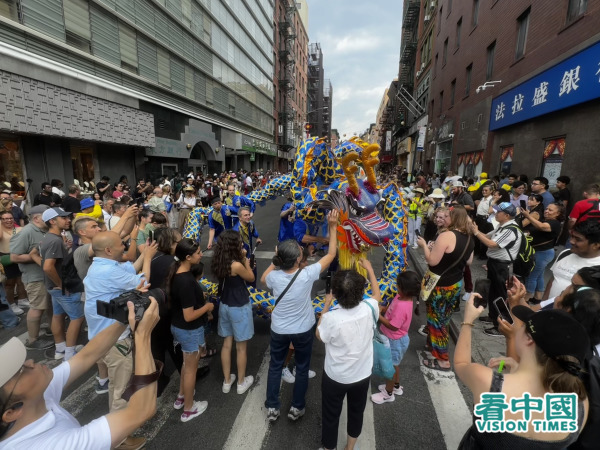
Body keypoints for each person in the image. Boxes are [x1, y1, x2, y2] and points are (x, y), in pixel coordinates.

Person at [0, 294, 160, 449]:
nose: (30, 362)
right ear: (10, 413)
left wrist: (125, 318)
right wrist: (142, 335)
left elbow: (87, 356)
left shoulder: (35, 397)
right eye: (21, 371)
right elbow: (141, 411)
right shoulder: (52, 446)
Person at [455, 296, 589, 447]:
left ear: (529, 339)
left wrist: (468, 321)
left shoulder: (489, 384)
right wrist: (518, 368)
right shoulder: (581, 404)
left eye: (523, 325)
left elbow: (461, 363)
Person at [260, 210, 339, 422]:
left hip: (279, 330)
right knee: (302, 368)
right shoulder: (307, 274)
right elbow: (331, 255)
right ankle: (297, 407)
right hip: (303, 329)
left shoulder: (274, 277)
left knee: (276, 366)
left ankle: (272, 407)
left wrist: (276, 260)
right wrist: (332, 226)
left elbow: (263, 278)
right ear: (298, 260)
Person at [83, 231, 156, 449]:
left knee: (117, 384)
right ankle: (119, 439)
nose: (124, 246)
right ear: (107, 250)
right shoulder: (107, 271)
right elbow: (143, 281)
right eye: (120, 244)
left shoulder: (102, 265)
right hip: (115, 340)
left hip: (101, 337)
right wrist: (149, 258)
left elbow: (131, 270)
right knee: (121, 389)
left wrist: (145, 253)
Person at [316, 260, 380, 450]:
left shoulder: (331, 318)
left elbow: (319, 334)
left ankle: (329, 447)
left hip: (335, 376)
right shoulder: (370, 308)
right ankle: (349, 447)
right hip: (361, 374)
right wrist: (369, 268)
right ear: (361, 292)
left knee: (330, 414)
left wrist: (326, 305)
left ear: (335, 294)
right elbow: (377, 294)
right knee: (356, 412)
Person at [417, 207, 474, 370]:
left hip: (440, 285)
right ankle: (432, 346)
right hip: (456, 283)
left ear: (454, 218)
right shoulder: (470, 237)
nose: (444, 218)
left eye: (448, 215)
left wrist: (424, 246)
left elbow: (432, 261)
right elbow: (469, 262)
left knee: (436, 321)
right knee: (444, 318)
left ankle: (442, 359)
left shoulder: (446, 235)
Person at [167, 239, 214, 422]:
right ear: (187, 257)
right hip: (189, 330)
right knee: (190, 370)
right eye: (198, 253)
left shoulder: (177, 273)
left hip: (179, 327)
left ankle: (181, 397)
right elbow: (189, 315)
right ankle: (188, 408)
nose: (201, 255)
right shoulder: (186, 280)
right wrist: (207, 306)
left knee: (187, 366)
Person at [211, 230, 256, 395]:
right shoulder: (236, 264)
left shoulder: (219, 259)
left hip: (225, 304)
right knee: (241, 348)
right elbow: (250, 277)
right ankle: (241, 382)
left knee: (226, 344)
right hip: (239, 305)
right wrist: (245, 260)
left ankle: (227, 381)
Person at [39, 208, 84, 361]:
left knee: (58, 315)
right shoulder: (54, 240)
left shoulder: (50, 238)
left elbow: (40, 257)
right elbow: (47, 267)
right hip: (60, 288)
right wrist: (62, 285)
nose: (68, 220)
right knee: (77, 318)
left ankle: (60, 349)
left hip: (53, 288)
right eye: (63, 218)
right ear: (52, 221)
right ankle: (70, 355)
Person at [370, 271, 421, 404]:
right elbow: (391, 308)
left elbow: (393, 326)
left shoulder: (402, 306)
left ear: (404, 289)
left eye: (398, 285)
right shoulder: (401, 297)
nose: (396, 287)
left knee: (390, 368)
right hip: (395, 339)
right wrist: (384, 309)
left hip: (395, 341)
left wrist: (378, 315)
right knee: (395, 365)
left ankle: (388, 393)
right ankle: (396, 387)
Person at [471, 202, 521, 337]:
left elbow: (492, 244)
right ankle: (493, 317)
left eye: (498, 212)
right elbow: (487, 236)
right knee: (493, 292)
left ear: (507, 215)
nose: (495, 213)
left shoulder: (510, 230)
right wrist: (474, 229)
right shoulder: (502, 226)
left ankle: (503, 325)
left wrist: (475, 232)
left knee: (501, 295)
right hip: (495, 264)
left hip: (503, 266)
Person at [9, 205, 53, 350]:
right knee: (37, 308)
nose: (52, 219)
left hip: (48, 276)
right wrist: (40, 256)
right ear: (36, 218)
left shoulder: (46, 230)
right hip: (35, 278)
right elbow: (14, 257)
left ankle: (52, 329)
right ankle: (33, 340)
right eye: (48, 216)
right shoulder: (26, 232)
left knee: (50, 306)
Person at [544, 219, 600, 299]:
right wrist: (542, 305)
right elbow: (552, 280)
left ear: (595, 245)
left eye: (578, 239)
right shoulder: (565, 253)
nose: (571, 241)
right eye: (572, 237)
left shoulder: (598, 267)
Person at [521, 202, 564, 300]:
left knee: (531, 276)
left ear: (558, 213)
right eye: (547, 209)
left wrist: (528, 216)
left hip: (542, 253)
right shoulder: (547, 221)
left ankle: (526, 298)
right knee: (539, 275)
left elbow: (541, 226)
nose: (547, 211)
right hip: (541, 252)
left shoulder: (554, 223)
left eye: (550, 210)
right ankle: (538, 297)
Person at [0, 211, 28, 315]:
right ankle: (11, 304)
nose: (8, 220)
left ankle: (22, 300)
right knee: (9, 283)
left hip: (19, 255)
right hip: (6, 258)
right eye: (5, 219)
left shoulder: (19, 229)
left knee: (21, 280)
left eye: (10, 218)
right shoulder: (1, 231)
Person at [474, 185, 494, 259]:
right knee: (476, 235)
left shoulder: (492, 200)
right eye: (483, 190)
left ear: (491, 191)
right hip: (479, 218)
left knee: (483, 236)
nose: (484, 192)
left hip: (485, 220)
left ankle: (483, 255)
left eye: (486, 190)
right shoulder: (482, 199)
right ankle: (476, 251)